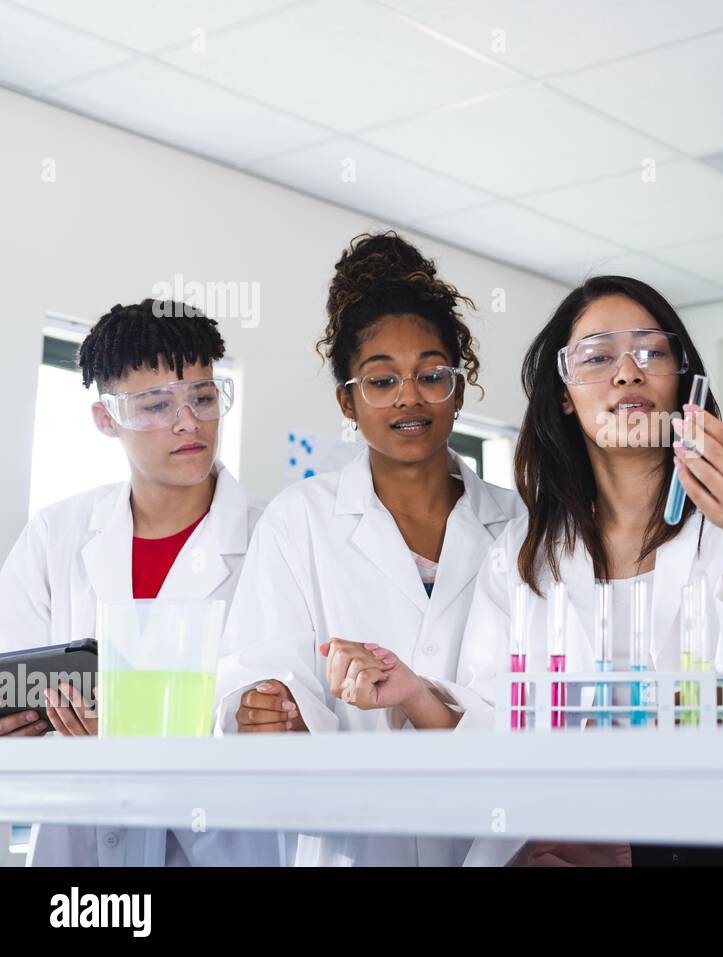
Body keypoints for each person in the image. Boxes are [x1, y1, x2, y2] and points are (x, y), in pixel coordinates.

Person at [446, 276, 723, 866]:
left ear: (684, 381)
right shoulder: (520, 552)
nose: (627, 373)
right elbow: (492, 723)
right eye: (596, 357)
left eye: (651, 351)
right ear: (564, 394)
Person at [215, 232, 523, 866]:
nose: (409, 396)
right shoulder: (299, 520)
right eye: (381, 381)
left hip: (493, 845)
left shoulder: (522, 525)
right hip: (351, 845)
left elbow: (530, 707)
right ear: (347, 402)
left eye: (431, 375)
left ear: (459, 390)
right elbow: (260, 667)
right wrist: (269, 708)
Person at [0, 300, 271, 865]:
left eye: (202, 396)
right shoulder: (57, 535)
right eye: (155, 405)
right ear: (106, 419)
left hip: (221, 848)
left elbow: (279, 726)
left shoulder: (274, 538)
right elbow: (10, 681)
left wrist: (132, 741)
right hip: (76, 856)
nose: (187, 422)